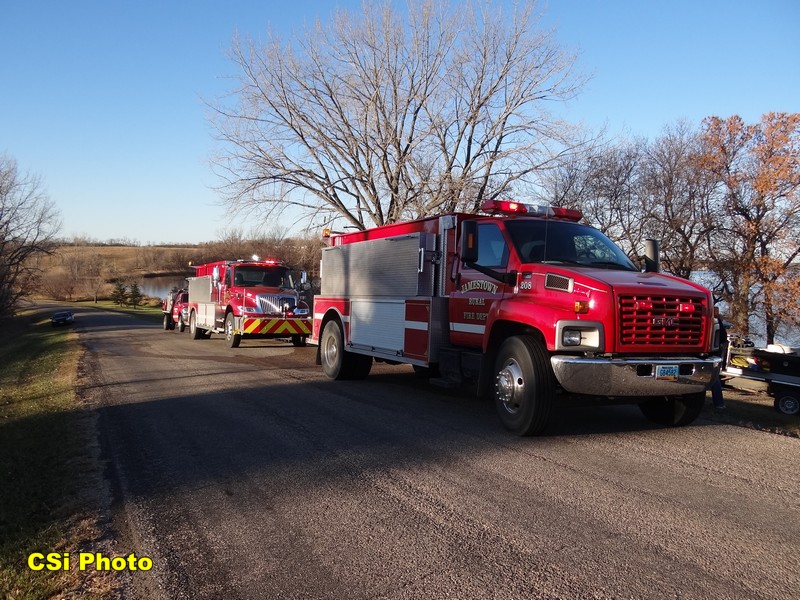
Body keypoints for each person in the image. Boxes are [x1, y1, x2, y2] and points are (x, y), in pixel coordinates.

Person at [710, 306, 727, 409]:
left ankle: (719, 403)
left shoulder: (714, 322)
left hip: (711, 353)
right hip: (716, 353)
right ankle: (719, 403)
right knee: (715, 379)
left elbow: (721, 338)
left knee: (714, 379)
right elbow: (723, 339)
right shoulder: (718, 322)